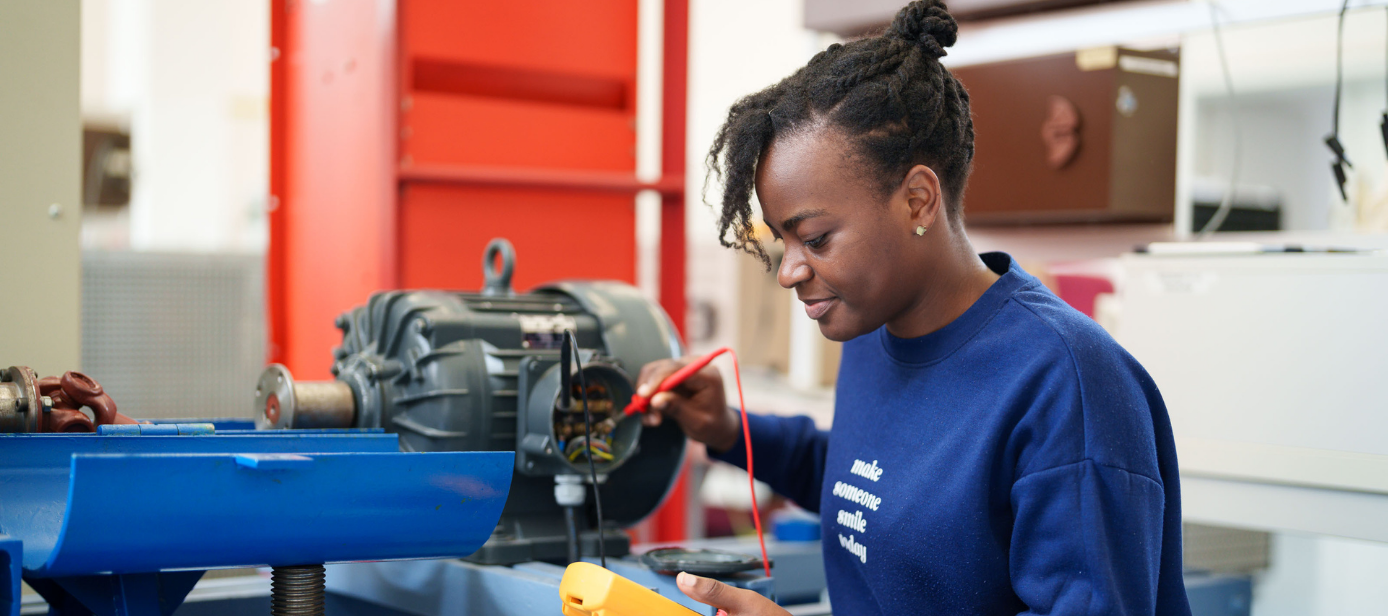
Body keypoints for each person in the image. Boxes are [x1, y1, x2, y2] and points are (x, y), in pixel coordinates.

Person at [635, 1, 1191, 615]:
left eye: (815, 238)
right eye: (783, 241)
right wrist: (727, 428)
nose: (790, 271)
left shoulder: (1066, 386)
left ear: (919, 200)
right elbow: (873, 487)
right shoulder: (874, 332)